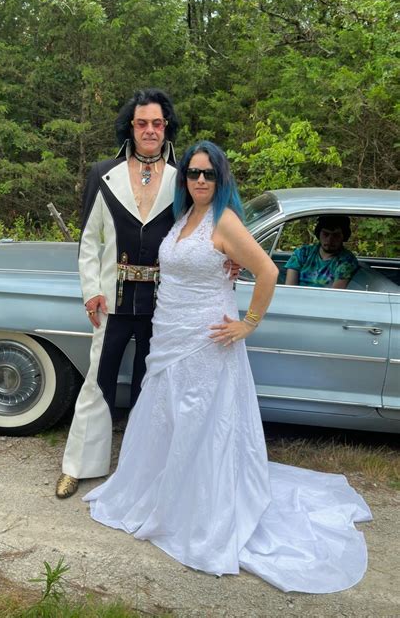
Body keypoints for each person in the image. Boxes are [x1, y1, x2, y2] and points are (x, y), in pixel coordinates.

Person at [83, 141, 372, 593]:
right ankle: (160, 492)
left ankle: (197, 508)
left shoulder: (225, 220)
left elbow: (268, 272)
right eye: (193, 173)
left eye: (209, 174)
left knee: (201, 422)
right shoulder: (183, 216)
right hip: (170, 334)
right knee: (165, 417)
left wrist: (248, 323)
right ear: (185, 178)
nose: (200, 180)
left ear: (221, 178)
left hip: (207, 340)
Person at [56, 90, 238, 499]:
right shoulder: (103, 174)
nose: (150, 130)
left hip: (165, 304)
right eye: (142, 123)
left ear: (166, 126)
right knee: (98, 381)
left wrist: (231, 257)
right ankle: (78, 466)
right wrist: (91, 291)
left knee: (152, 386)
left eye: (157, 123)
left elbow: (207, 224)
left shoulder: (183, 177)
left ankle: (144, 471)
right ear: (131, 126)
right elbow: (89, 241)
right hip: (112, 298)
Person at [285, 215, 358, 288]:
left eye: (336, 235)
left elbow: (335, 293)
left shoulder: (347, 261)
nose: (330, 240)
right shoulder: (303, 253)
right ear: (318, 234)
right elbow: (289, 288)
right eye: (325, 234)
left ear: (344, 236)